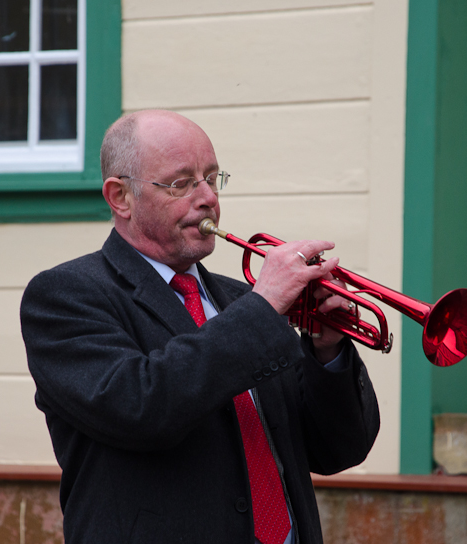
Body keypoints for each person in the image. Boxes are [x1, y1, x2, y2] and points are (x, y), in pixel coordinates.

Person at [20, 109, 380, 544]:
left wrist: (328, 350)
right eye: (182, 183)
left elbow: (336, 450)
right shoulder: (66, 295)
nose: (208, 196)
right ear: (121, 198)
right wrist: (265, 307)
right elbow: (141, 407)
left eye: (212, 177)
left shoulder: (243, 301)